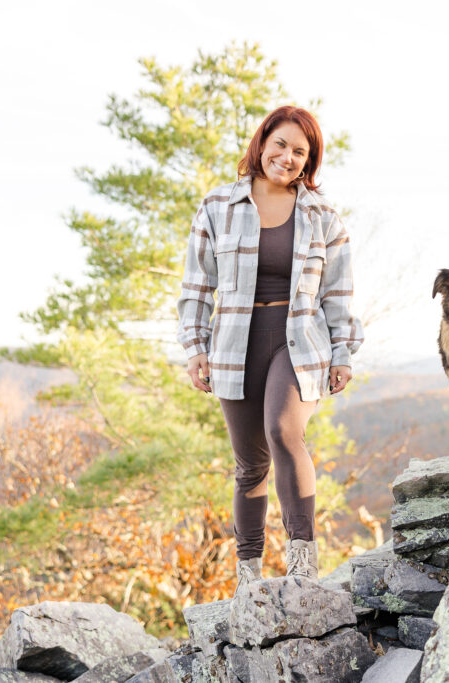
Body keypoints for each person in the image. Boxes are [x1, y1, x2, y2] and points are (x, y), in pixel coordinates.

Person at [176, 106, 363, 595]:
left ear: (308, 162)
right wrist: (195, 347)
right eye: (280, 144)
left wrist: (343, 352)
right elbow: (197, 285)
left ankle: (302, 561)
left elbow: (338, 293)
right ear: (262, 143)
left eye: (299, 152)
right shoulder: (218, 205)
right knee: (249, 465)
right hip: (234, 343)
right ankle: (248, 574)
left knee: (283, 430)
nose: (287, 156)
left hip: (298, 339)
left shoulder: (323, 217)